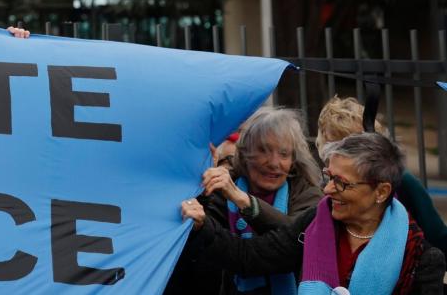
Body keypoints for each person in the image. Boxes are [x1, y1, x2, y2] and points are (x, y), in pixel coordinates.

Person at [182, 132, 445, 294]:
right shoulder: (317, 224)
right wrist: (202, 226)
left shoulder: (420, 259)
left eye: (341, 182)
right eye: (328, 176)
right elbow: (250, 257)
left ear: (381, 191)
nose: (328, 190)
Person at [172, 107, 323, 294]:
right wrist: (201, 187)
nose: (274, 163)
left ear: (293, 160)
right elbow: (202, 246)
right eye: (264, 151)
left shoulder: (309, 194)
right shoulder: (221, 190)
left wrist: (245, 202)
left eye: (284, 154)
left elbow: (293, 236)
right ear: (244, 153)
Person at [317, 95, 447, 258]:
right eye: (335, 146)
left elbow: (438, 237)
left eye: (354, 147)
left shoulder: (402, 181)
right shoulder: (325, 185)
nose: (341, 155)